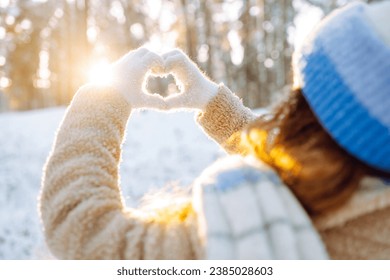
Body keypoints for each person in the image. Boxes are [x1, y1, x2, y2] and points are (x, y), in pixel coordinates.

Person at [39, 1, 390, 259]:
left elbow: (81, 232)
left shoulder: (248, 235)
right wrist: (213, 103)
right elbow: (308, 161)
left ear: (315, 119)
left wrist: (103, 99)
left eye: (303, 92)